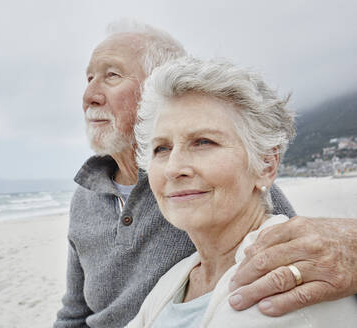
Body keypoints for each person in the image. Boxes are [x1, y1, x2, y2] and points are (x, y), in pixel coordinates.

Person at [54, 20, 357, 328]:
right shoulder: (87, 198)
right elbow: (74, 314)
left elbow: (294, 246)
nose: (88, 95)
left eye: (112, 76)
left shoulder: (228, 186)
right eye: (161, 148)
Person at [126, 56, 357, 327]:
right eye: (161, 148)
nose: (173, 168)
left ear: (266, 166)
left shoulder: (280, 280)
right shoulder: (180, 277)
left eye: (203, 142)